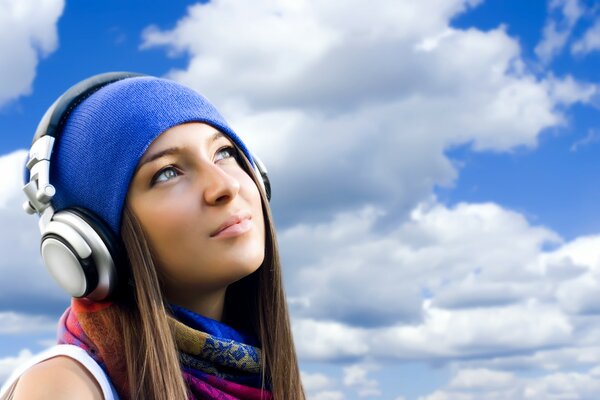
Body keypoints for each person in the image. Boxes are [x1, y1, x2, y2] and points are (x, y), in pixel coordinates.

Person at [0, 73, 305, 399]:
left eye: (224, 153)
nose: (225, 186)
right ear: (96, 242)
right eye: (167, 173)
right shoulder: (65, 387)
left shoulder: (262, 375)